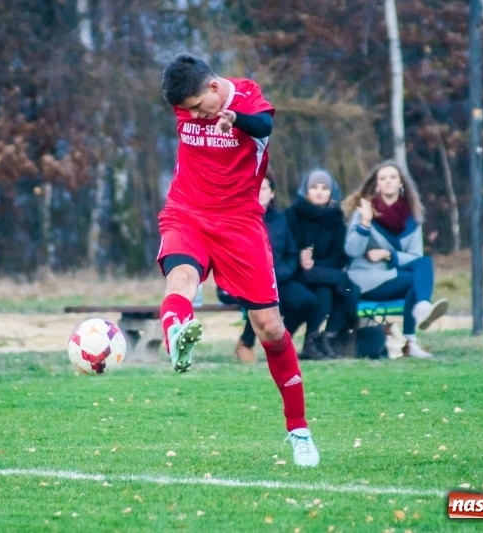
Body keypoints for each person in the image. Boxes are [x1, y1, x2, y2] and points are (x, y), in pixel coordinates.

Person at [157, 54, 319, 466]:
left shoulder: (247, 94)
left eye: (197, 106)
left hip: (239, 222)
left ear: (214, 88)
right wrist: (209, 115)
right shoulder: (186, 103)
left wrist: (236, 120)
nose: (191, 115)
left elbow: (265, 125)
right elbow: (188, 103)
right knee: (181, 278)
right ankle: (176, 333)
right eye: (186, 110)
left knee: (269, 326)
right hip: (187, 211)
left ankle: (298, 430)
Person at [343, 160, 448, 358]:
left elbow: (414, 257)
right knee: (417, 280)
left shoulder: (412, 218)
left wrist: (388, 255)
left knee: (423, 266)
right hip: (365, 280)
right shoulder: (365, 210)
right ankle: (422, 309)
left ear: (401, 184)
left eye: (393, 177)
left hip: (391, 273)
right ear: (377, 185)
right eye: (383, 178)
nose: (388, 181)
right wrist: (365, 222)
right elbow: (352, 250)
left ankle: (411, 341)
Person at [227, 173, 319, 364]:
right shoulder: (236, 218)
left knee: (308, 302)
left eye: (264, 189)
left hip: (279, 278)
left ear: (272, 193)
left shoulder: (280, 220)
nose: (259, 193)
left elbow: (292, 253)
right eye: (254, 189)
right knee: (268, 301)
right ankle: (245, 343)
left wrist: (283, 273)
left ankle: (280, 341)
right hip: (245, 280)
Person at [285, 169, 360, 359]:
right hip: (297, 275)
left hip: (324, 275)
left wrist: (315, 263)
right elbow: (286, 246)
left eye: (324, 188)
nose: (319, 192)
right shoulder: (293, 215)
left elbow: (341, 257)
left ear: (331, 192)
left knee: (326, 290)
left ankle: (319, 339)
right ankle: (319, 339)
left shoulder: (337, 219)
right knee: (347, 286)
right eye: (314, 187)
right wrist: (300, 256)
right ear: (306, 191)